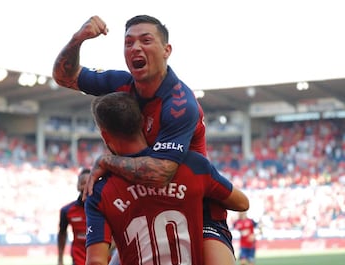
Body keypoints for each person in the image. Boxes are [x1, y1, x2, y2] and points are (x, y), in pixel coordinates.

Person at [53, 15, 234, 264]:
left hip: (195, 209)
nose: (135, 47)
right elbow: (65, 77)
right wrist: (78, 39)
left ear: (166, 50)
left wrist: (107, 162)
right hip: (143, 203)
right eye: (128, 43)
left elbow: (162, 173)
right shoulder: (121, 84)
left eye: (146, 40)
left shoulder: (180, 104)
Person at [84, 92, 250, 265]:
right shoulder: (192, 165)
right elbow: (242, 203)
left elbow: (96, 262)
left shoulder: (99, 191)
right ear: (142, 121)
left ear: (105, 136)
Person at [57, 168, 89, 265]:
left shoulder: (105, 208)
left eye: (89, 182)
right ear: (78, 186)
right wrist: (60, 259)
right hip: (78, 259)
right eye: (83, 183)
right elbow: (62, 234)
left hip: (102, 259)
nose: (86, 186)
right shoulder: (67, 211)